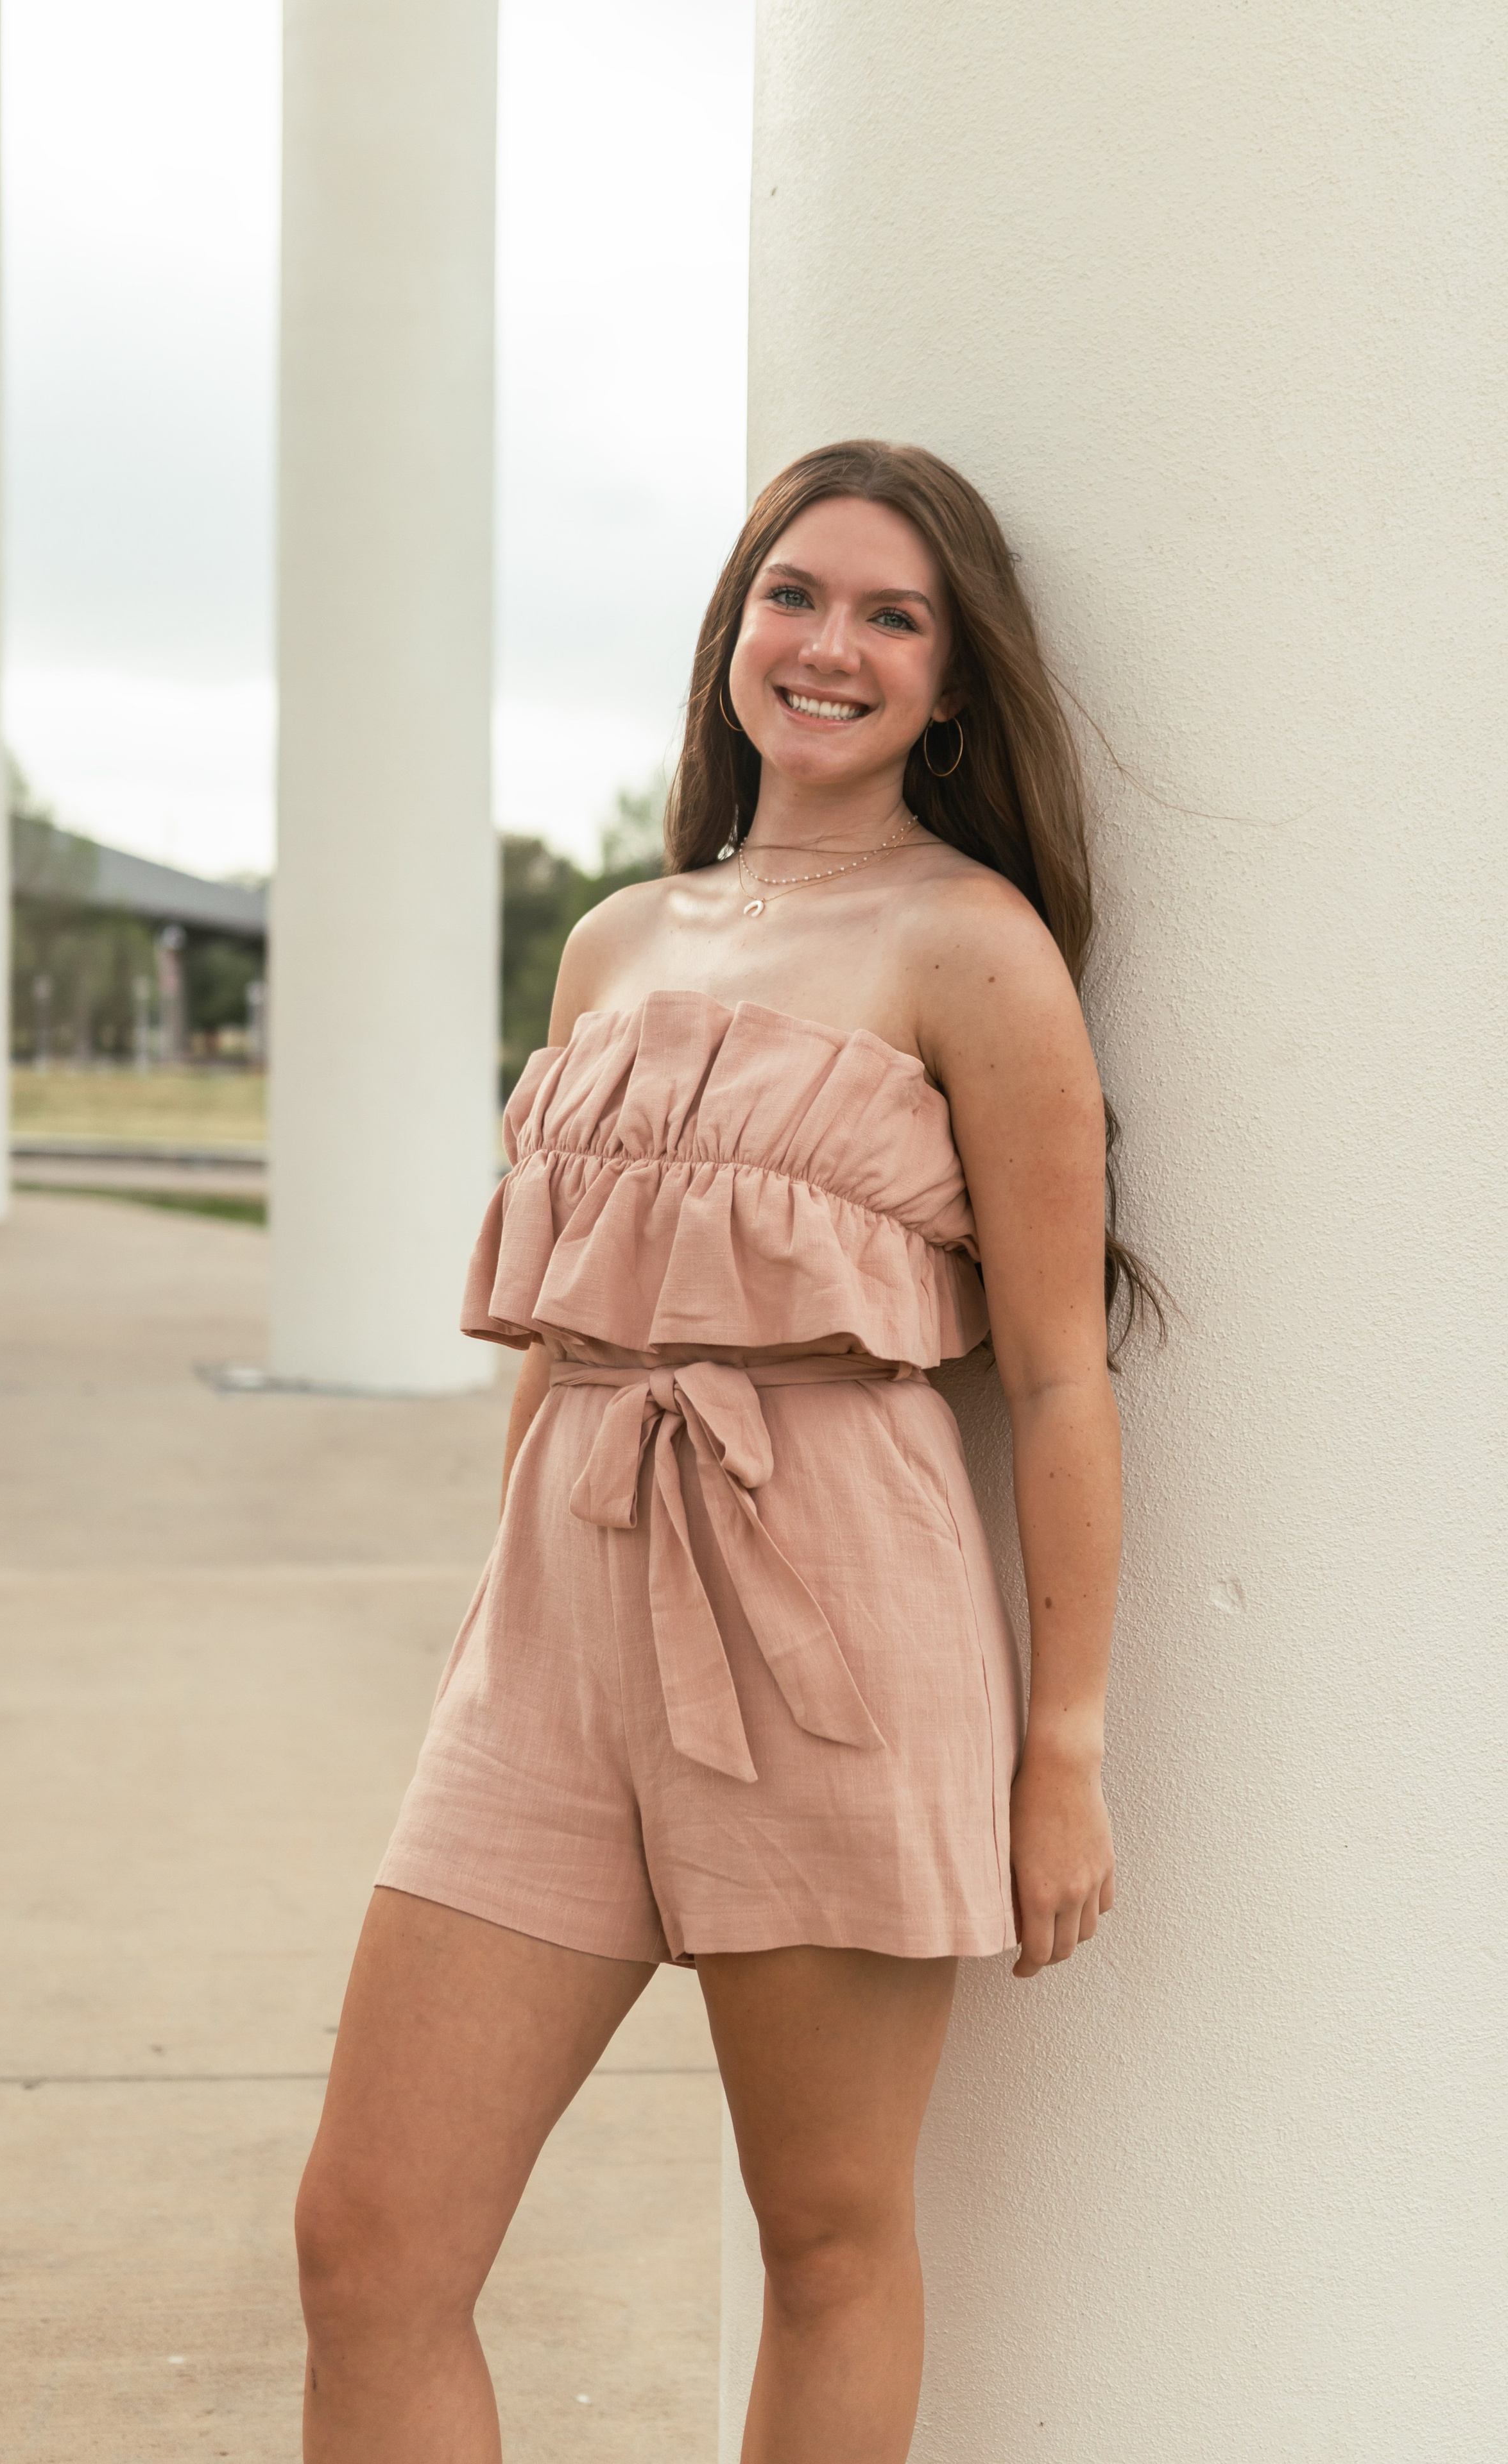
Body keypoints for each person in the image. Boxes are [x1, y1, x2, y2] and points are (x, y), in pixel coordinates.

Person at [295, 439, 1152, 2463]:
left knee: (830, 2238)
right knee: (368, 2244)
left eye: (890, 615)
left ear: (953, 684)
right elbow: (569, 1321)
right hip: (564, 1619)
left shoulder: (978, 952)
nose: (829, 645)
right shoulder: (618, 942)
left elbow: (1054, 1377)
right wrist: (495, 1635)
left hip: (837, 1620)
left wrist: (1067, 1749)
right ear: (730, 629)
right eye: (794, 594)